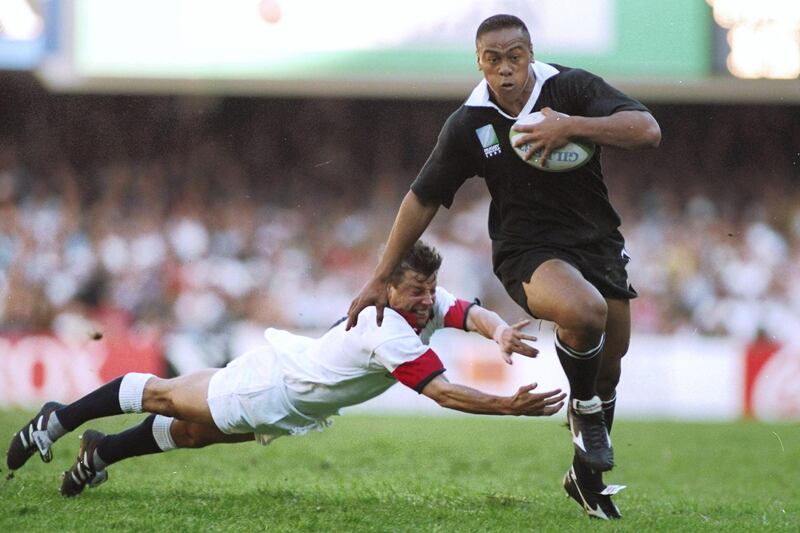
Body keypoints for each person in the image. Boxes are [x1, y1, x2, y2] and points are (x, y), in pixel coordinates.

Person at [345, 14, 661, 520]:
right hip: (527, 251)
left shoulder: (573, 87)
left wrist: (570, 126)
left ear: (530, 53)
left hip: (598, 242)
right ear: (479, 63)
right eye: (493, 60)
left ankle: (584, 477)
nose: (506, 69)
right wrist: (381, 274)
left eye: (515, 56)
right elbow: (423, 197)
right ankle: (583, 416)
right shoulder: (470, 123)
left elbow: (647, 131)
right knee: (584, 312)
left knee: (609, 367)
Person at [6, 240, 565, 497]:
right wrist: (507, 406)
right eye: (416, 291)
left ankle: (100, 452)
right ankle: (57, 419)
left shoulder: (419, 301)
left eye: (428, 291)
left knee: (197, 434)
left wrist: (500, 331)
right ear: (388, 287)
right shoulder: (385, 327)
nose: (426, 302)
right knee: (165, 398)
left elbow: (466, 311)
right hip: (273, 385)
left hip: (294, 397)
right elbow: (442, 393)